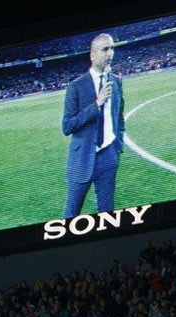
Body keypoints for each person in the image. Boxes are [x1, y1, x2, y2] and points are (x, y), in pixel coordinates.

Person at [61, 32, 125, 218]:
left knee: (107, 213)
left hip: (108, 156)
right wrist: (97, 104)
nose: (110, 53)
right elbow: (67, 126)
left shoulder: (116, 82)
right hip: (82, 159)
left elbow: (119, 118)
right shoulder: (76, 86)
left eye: (112, 48)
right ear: (92, 55)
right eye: (105, 49)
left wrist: (117, 147)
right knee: (71, 214)